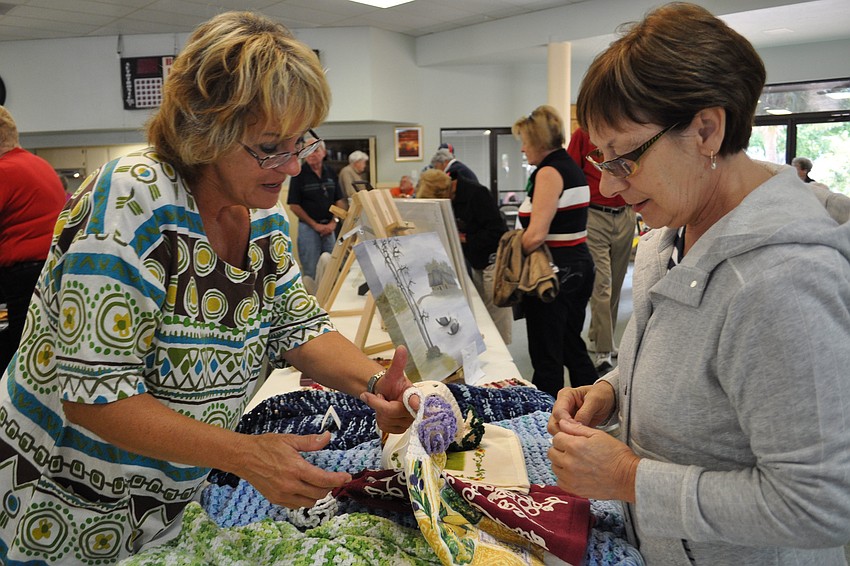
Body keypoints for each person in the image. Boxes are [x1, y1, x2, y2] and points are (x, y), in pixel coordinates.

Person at [0, 12, 417, 564]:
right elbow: (95, 397)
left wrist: (375, 385)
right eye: (270, 145)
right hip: (60, 505)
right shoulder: (132, 200)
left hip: (163, 503)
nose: (290, 164)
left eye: (300, 142)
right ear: (205, 129)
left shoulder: (262, 215)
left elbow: (299, 327)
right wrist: (246, 455)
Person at [547, 4, 850, 565]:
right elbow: (687, 363)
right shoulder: (673, 229)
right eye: (602, 161)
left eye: (626, 160)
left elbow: (821, 504)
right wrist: (613, 390)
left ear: (706, 130)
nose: (611, 188)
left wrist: (631, 478)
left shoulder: (782, 284)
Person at [511, 105, 597, 397]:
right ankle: (596, 410)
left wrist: (509, 250)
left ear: (538, 140)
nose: (522, 149)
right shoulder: (570, 166)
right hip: (577, 265)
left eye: (525, 141)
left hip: (554, 273)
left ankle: (545, 419)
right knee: (571, 343)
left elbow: (535, 235)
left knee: (547, 354)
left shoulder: (549, 172)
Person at [0, 105, 66, 373]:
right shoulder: (37, 164)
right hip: (45, 273)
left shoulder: (5, 170)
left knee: (9, 350)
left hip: (19, 278)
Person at [415, 168, 512, 344]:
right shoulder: (454, 195)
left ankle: (503, 360)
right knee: (483, 315)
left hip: (495, 262)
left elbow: (498, 232)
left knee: (496, 318)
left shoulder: (477, 194)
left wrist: (463, 237)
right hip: (477, 262)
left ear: (444, 193)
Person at [567, 126, 635, 375]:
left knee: (616, 283)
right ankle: (604, 349)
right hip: (595, 214)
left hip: (626, 213)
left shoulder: (628, 127)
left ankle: (598, 335)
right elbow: (572, 172)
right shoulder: (582, 134)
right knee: (602, 285)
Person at [287, 131, 346, 281]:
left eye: (316, 149)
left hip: (330, 227)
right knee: (311, 271)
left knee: (333, 268)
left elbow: (339, 200)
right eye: (308, 150)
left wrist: (334, 222)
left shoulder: (331, 172)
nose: (312, 154)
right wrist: (314, 225)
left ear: (324, 152)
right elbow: (294, 205)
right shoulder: (298, 174)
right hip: (308, 229)